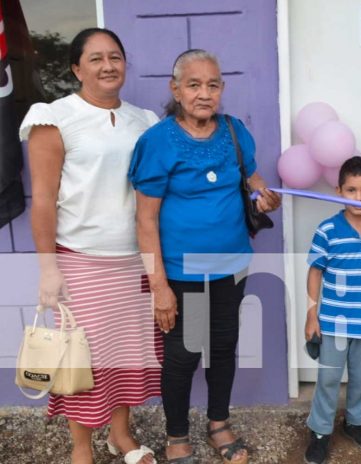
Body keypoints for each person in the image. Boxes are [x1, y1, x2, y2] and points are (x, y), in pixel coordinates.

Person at [128, 49, 280, 464]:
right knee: (186, 351)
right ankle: (177, 435)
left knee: (224, 345)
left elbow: (253, 180)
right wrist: (159, 285)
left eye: (212, 84)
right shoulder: (157, 141)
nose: (204, 93)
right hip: (186, 273)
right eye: (193, 84)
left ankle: (218, 422)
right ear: (175, 89)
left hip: (231, 265)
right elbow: (145, 221)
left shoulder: (233, 131)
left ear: (222, 90)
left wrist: (264, 197)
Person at [20, 28, 161, 464]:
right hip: (81, 261)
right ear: (76, 68)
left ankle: (121, 435)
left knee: (125, 356)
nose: (107, 66)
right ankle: (81, 447)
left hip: (135, 261)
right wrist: (49, 269)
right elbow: (42, 200)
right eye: (96, 58)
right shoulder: (54, 117)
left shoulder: (146, 121)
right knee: (81, 361)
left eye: (115, 56)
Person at [303, 156, 361, 464]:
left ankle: (355, 421)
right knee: (328, 378)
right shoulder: (328, 230)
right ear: (339, 191)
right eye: (351, 190)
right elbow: (315, 271)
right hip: (334, 321)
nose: (359, 197)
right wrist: (312, 312)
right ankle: (320, 430)